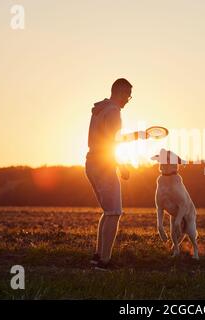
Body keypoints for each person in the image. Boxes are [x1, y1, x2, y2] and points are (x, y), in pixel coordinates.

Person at [85, 78, 144, 271]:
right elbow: (112, 142)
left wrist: (137, 136)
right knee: (114, 212)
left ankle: (98, 257)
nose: (128, 99)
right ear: (119, 92)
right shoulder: (113, 112)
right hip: (103, 164)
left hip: (91, 162)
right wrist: (122, 164)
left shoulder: (101, 109)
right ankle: (104, 262)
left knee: (108, 211)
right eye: (128, 95)